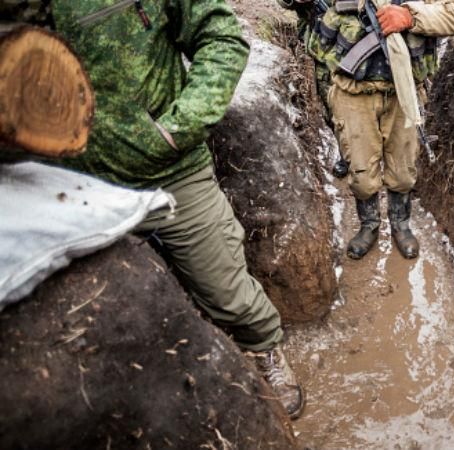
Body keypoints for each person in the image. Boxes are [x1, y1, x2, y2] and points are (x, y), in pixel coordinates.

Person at [0, 0, 304, 419]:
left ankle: (264, 350)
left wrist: (176, 131)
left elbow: (223, 37)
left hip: (163, 168)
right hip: (48, 187)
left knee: (226, 293)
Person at [278, 0, 454, 260]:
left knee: (403, 171)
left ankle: (401, 224)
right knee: (362, 172)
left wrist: (410, 17)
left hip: (404, 92)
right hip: (352, 92)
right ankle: (369, 225)